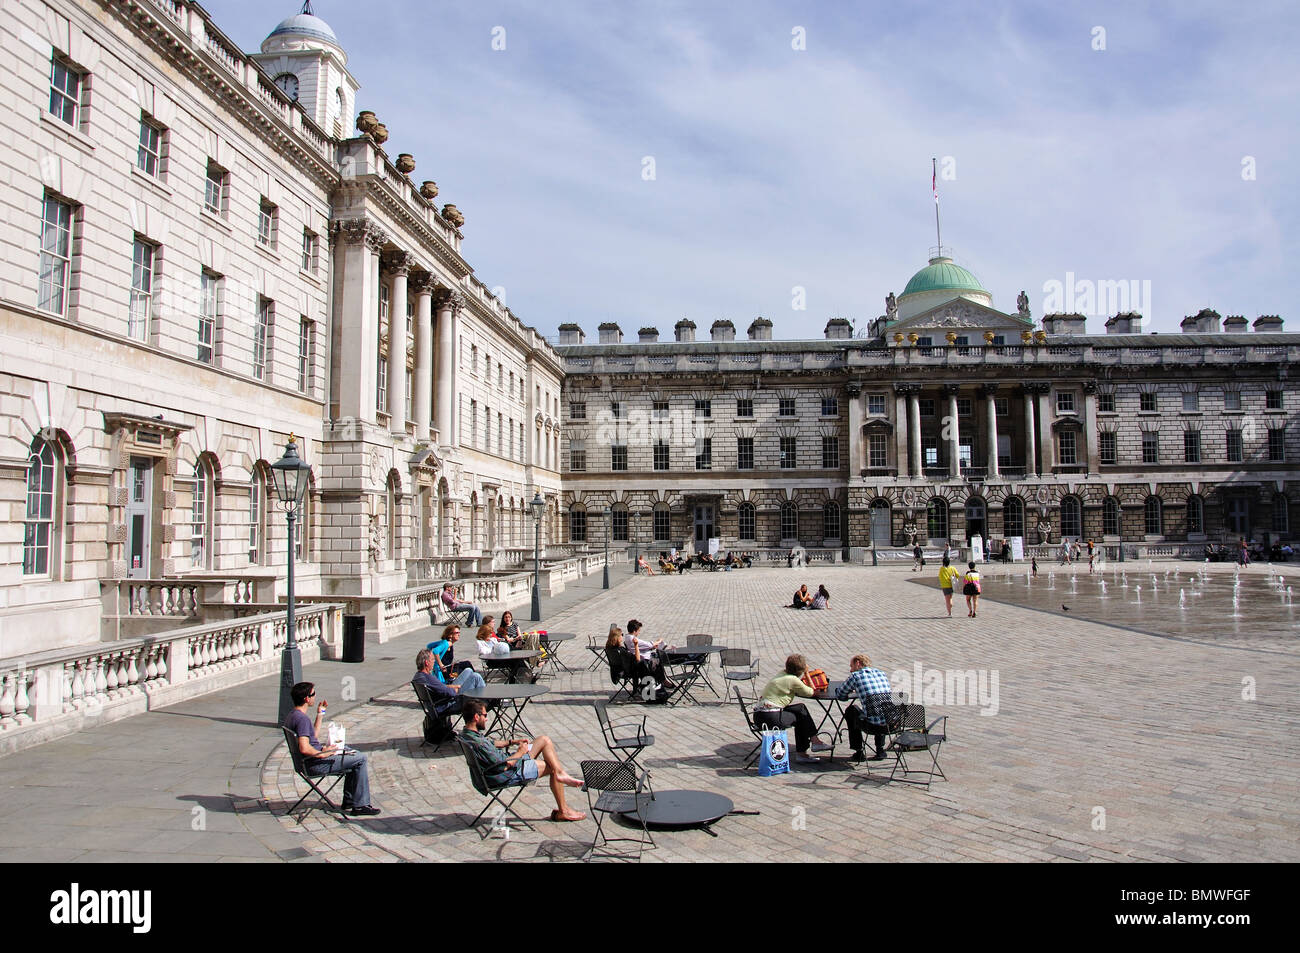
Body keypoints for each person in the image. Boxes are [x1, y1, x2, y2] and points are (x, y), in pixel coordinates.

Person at [460, 699, 585, 822]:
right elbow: (503, 766)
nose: (487, 718)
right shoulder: (479, 743)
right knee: (551, 767)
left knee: (544, 740)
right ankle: (564, 810)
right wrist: (521, 751)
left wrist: (511, 742)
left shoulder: (467, 734)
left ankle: (560, 774)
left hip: (505, 765)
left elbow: (491, 743)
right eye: (485, 715)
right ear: (477, 717)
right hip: (506, 773)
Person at [284, 681, 381, 816]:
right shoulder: (302, 720)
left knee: (350, 752)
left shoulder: (292, 716)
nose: (315, 697)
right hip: (315, 764)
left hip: (306, 762)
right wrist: (322, 754)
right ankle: (361, 805)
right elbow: (304, 747)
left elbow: (313, 736)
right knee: (361, 759)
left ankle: (350, 801)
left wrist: (320, 714)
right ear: (307, 698)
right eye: (313, 694)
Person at [755, 655, 831, 765]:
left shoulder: (782, 674)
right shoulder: (792, 680)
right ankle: (805, 750)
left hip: (759, 715)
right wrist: (806, 673)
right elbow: (812, 692)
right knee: (801, 717)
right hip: (770, 718)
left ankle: (814, 742)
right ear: (800, 670)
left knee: (800, 709)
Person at [836, 654, 895, 762]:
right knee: (879, 708)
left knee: (851, 711)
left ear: (858, 663)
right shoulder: (881, 673)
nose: (850, 670)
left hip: (872, 726)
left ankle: (859, 751)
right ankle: (880, 749)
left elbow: (840, 695)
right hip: (891, 725)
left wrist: (852, 690)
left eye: (851, 666)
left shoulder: (855, 676)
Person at [413, 646, 484, 718]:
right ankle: (486, 702)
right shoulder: (429, 678)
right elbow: (450, 693)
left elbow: (439, 687)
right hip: (448, 703)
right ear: (427, 663)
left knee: (468, 670)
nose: (434, 661)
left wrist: (452, 686)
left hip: (440, 700)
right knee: (476, 677)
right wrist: (456, 688)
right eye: (432, 659)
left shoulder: (418, 676)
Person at [424, 624, 484, 688]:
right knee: (467, 667)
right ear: (450, 635)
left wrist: (433, 659)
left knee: (466, 664)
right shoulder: (447, 643)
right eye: (457, 633)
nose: (459, 634)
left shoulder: (444, 642)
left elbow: (429, 646)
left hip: (448, 668)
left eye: (459, 632)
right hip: (446, 671)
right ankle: (475, 684)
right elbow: (435, 651)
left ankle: (474, 682)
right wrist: (440, 664)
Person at [624, 619, 674, 691]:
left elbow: (642, 647)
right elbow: (649, 644)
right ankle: (663, 681)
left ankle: (662, 681)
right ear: (635, 631)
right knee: (658, 660)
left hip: (639, 660)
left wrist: (650, 648)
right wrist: (659, 641)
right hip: (642, 663)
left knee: (656, 659)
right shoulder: (634, 639)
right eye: (638, 631)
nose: (639, 632)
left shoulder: (627, 638)